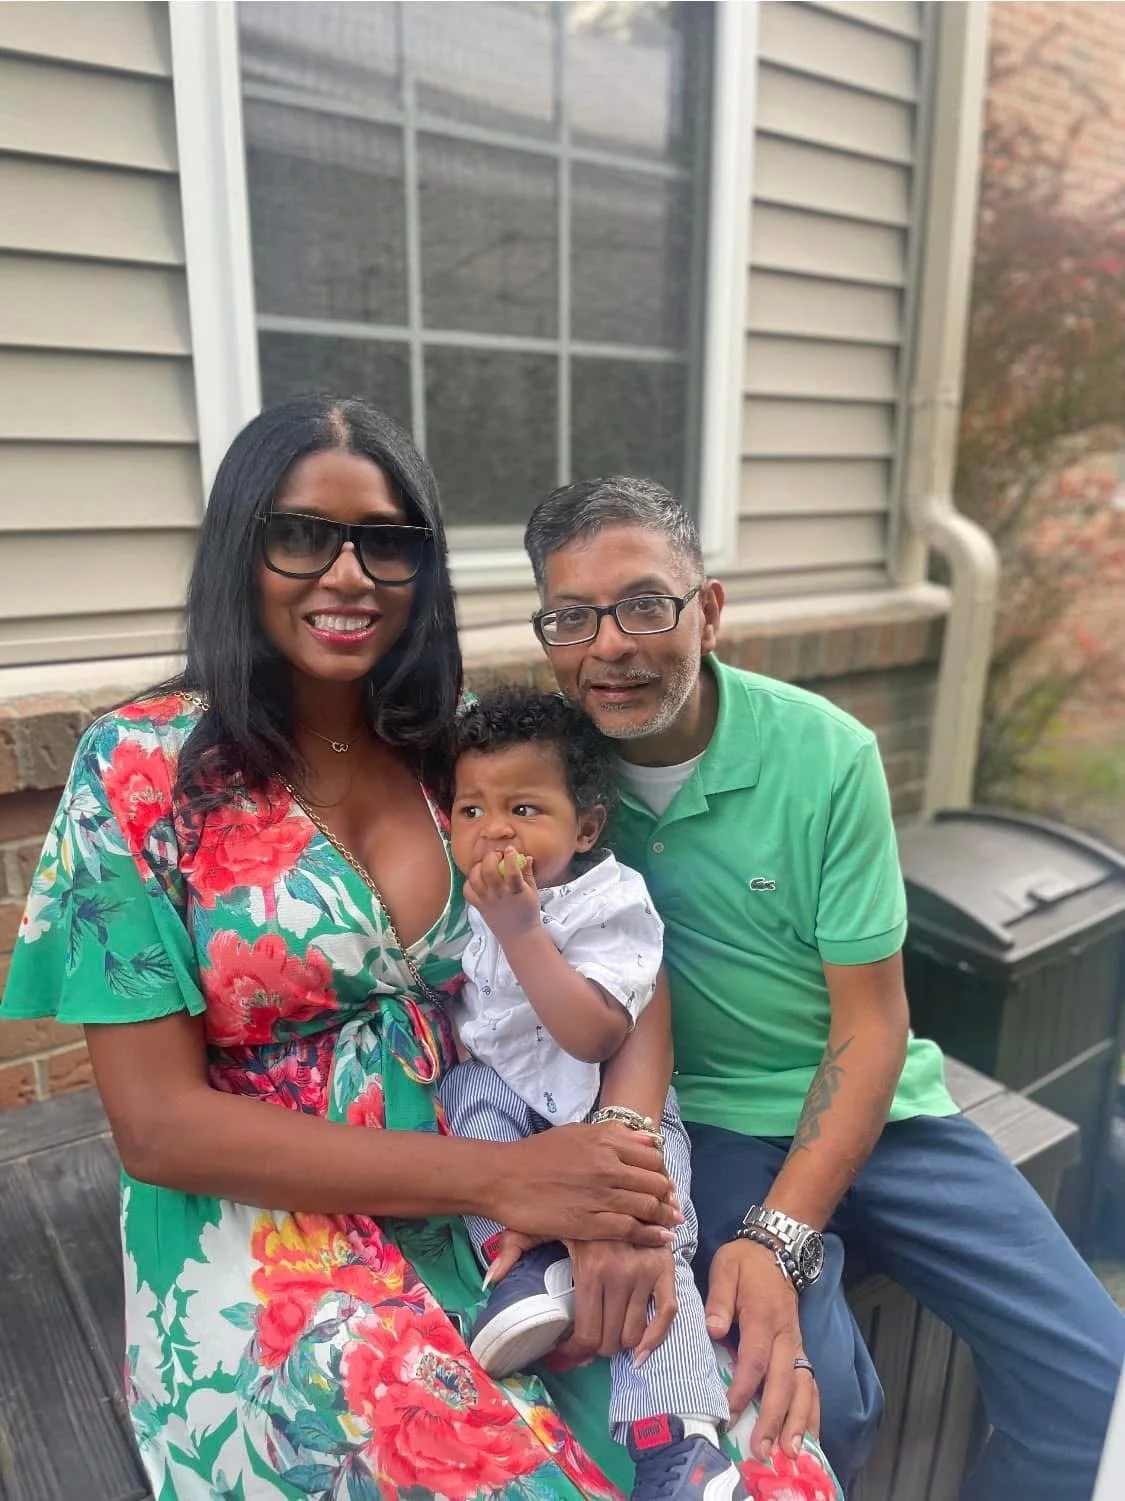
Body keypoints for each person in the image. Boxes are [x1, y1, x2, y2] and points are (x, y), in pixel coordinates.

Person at [0, 397, 694, 1501]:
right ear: (242, 545)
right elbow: (157, 1125)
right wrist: (512, 1179)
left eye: (386, 541)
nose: (348, 573)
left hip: (502, 1168)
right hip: (274, 1225)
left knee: (730, 1442)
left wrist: (613, 1168)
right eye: (301, 534)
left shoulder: (464, 741)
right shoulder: (139, 773)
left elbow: (615, 938)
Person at [520, 474, 1125, 1501]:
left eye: (644, 605)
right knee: (814, 1405)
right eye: (572, 616)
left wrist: (780, 1234)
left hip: (884, 1110)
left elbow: (874, 1020)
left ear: (708, 610)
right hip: (712, 1128)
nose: (608, 644)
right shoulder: (551, 780)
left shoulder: (826, 754)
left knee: (1096, 1382)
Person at [438, 686, 743, 1499]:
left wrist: (522, 933)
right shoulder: (482, 897)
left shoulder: (611, 902)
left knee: (652, 1249)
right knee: (466, 1098)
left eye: (524, 808)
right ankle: (530, 1269)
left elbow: (595, 1034)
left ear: (585, 827)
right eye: (471, 809)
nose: (493, 830)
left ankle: (680, 1441)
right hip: (518, 1106)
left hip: (611, 1118)